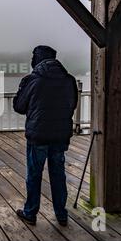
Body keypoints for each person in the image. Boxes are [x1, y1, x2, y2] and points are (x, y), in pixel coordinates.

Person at [13, 45, 78, 226]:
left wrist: (20, 91)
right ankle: (61, 214)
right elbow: (72, 105)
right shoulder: (68, 80)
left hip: (38, 136)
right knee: (58, 175)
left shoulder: (32, 80)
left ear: (37, 59)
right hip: (60, 136)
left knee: (34, 174)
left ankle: (30, 212)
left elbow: (19, 106)